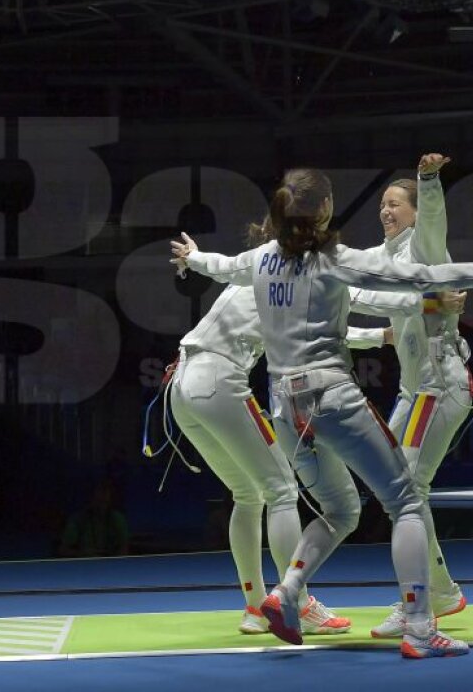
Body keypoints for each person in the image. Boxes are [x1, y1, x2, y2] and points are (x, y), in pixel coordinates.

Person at [172, 166, 473, 659]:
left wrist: (193, 256)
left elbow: (221, 266)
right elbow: (418, 275)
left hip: (285, 408)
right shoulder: (333, 259)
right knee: (407, 502)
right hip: (330, 398)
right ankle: (421, 626)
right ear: (325, 210)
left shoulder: (262, 260)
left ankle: (287, 593)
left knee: (340, 510)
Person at [166, 255, 445, 635]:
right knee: (281, 490)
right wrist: (424, 305)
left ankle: (254, 607)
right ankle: (294, 602)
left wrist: (381, 336)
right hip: (218, 380)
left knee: (246, 494)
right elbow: (339, 315)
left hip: (180, 383)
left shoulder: (249, 276)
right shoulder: (281, 281)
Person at [340, 154, 473, 638]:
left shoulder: (425, 247)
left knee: (410, 490)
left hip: (439, 387)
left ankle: (422, 599)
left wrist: (428, 180)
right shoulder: (382, 258)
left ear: (417, 214)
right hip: (412, 394)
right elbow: (373, 315)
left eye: (395, 203)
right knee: (393, 491)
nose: (385, 210)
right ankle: (435, 590)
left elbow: (435, 215)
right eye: (382, 203)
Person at [58, 481, 129, 557]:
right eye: (99, 501)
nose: (102, 506)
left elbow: (124, 548)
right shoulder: (78, 519)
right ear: (90, 499)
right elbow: (63, 550)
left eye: (105, 502)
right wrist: (83, 553)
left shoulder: (118, 518)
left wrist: (113, 562)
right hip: (85, 564)